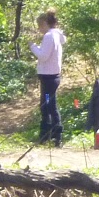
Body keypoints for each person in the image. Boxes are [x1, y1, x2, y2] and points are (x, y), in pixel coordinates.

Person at [30, 9, 65, 145]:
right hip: (51, 76)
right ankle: (48, 135)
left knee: (48, 105)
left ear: (45, 23)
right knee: (47, 105)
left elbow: (43, 56)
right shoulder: (56, 35)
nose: (39, 29)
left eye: (40, 26)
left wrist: (33, 47)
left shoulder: (49, 36)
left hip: (48, 77)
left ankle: (54, 134)